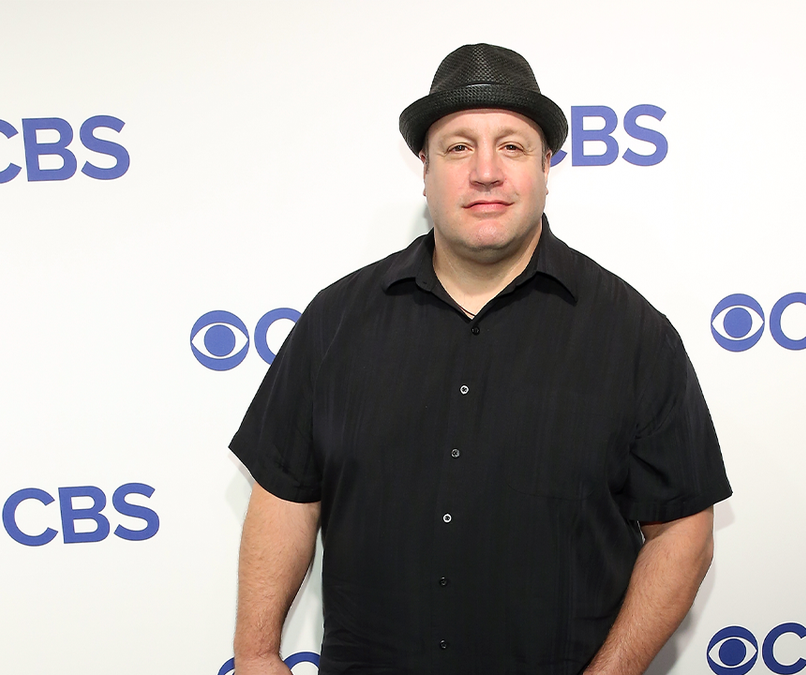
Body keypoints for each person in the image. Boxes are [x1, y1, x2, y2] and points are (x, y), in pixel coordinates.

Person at [230, 43, 731, 675]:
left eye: (512, 147)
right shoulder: (336, 322)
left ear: (546, 167)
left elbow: (682, 530)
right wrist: (256, 654)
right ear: (425, 168)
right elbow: (284, 495)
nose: (485, 171)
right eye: (459, 147)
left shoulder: (634, 334)